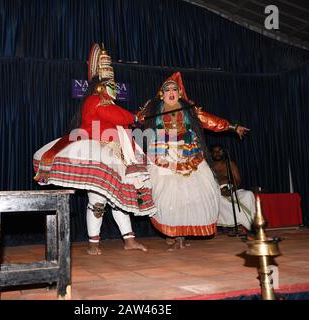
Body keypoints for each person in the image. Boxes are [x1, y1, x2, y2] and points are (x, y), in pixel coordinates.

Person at [33, 44, 156, 255]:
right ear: (100, 86)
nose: (115, 89)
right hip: (99, 153)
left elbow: (120, 118)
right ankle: (93, 243)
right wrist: (134, 117)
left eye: (115, 86)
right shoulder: (94, 101)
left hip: (118, 154)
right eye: (110, 85)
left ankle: (129, 241)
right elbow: (116, 116)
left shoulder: (107, 103)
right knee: (98, 201)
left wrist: (136, 119)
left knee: (119, 200)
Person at [137, 72, 249, 250]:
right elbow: (136, 119)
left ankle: (181, 237)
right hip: (162, 155)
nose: (171, 92)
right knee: (167, 199)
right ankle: (174, 233)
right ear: (161, 94)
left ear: (179, 93)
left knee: (189, 198)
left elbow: (209, 121)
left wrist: (231, 127)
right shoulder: (152, 110)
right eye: (168, 90)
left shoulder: (188, 109)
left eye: (175, 89)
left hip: (189, 154)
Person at [210, 144, 255, 233]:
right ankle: (228, 226)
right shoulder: (209, 166)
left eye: (219, 151)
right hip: (215, 192)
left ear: (223, 152)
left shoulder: (230, 164)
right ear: (211, 153)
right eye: (214, 152)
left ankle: (252, 223)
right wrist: (219, 191)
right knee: (219, 201)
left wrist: (231, 189)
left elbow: (238, 180)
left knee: (248, 194)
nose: (217, 153)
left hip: (231, 190)